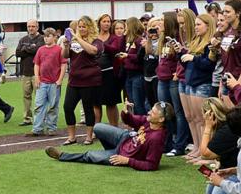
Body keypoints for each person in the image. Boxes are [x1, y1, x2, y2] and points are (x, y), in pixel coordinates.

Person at [44, 101, 169, 171]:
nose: (149, 112)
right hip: (125, 138)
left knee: (89, 155)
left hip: (124, 155)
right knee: (98, 127)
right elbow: (131, 120)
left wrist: (128, 161)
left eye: (153, 112)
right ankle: (108, 153)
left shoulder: (157, 138)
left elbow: (152, 165)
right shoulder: (148, 121)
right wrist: (125, 113)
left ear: (161, 119)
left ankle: (62, 156)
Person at [61, 16, 104, 146]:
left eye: (84, 26)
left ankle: (89, 136)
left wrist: (77, 38)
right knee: (68, 107)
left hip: (89, 80)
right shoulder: (74, 40)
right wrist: (66, 46)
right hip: (74, 79)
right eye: (79, 26)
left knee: (88, 108)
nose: (81, 29)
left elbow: (92, 51)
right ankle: (71, 136)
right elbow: (65, 55)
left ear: (90, 27)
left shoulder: (96, 41)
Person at [179, 13, 217, 150]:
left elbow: (209, 65)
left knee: (202, 120)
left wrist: (193, 58)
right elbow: (188, 65)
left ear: (208, 26)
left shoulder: (210, 44)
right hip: (190, 82)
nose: (195, 27)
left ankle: (204, 150)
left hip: (202, 83)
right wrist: (181, 55)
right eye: (195, 24)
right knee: (192, 118)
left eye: (199, 24)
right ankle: (196, 147)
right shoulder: (196, 42)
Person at [214, 0, 241, 96]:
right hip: (227, 79)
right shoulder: (227, 31)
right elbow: (225, 60)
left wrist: (238, 85)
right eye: (224, 11)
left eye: (228, 11)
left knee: (240, 111)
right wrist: (221, 83)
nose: (224, 14)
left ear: (238, 13)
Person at [94, 14, 124, 129]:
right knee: (95, 103)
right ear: (99, 23)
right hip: (95, 74)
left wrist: (102, 45)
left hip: (110, 73)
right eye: (104, 21)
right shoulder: (94, 37)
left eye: (108, 21)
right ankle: (97, 129)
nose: (106, 23)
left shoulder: (114, 37)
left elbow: (115, 49)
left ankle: (114, 128)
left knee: (111, 103)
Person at [15, 19, 45, 126]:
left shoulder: (41, 38)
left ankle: (40, 118)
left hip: (38, 73)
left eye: (33, 26)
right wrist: (30, 49)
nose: (30, 28)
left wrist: (26, 49)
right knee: (26, 96)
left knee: (39, 96)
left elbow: (38, 51)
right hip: (25, 72)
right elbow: (17, 53)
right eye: (29, 26)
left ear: (37, 27)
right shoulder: (23, 39)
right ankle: (27, 118)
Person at [120, 17, 147, 112]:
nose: (125, 28)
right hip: (129, 75)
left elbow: (140, 58)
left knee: (138, 104)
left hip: (137, 75)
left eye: (126, 26)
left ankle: (142, 125)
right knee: (131, 104)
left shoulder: (139, 41)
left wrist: (128, 56)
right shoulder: (129, 41)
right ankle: (135, 125)